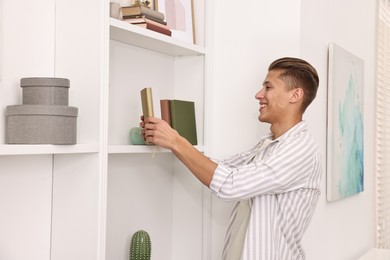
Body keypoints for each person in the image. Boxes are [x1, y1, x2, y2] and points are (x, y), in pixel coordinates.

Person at [141, 57, 322, 260]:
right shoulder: (268, 146)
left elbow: (230, 184)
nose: (259, 94)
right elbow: (221, 168)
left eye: (268, 87)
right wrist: (169, 138)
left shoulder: (299, 150)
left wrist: (175, 141)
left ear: (295, 95)